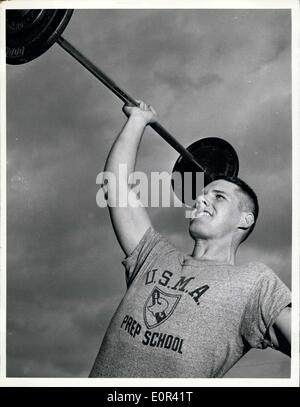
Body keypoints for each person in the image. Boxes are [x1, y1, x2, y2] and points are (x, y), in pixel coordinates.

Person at [90, 101, 291, 378]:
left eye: (218, 197)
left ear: (245, 219)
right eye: (201, 195)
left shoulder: (254, 284)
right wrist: (138, 120)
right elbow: (115, 187)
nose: (200, 199)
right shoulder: (153, 255)